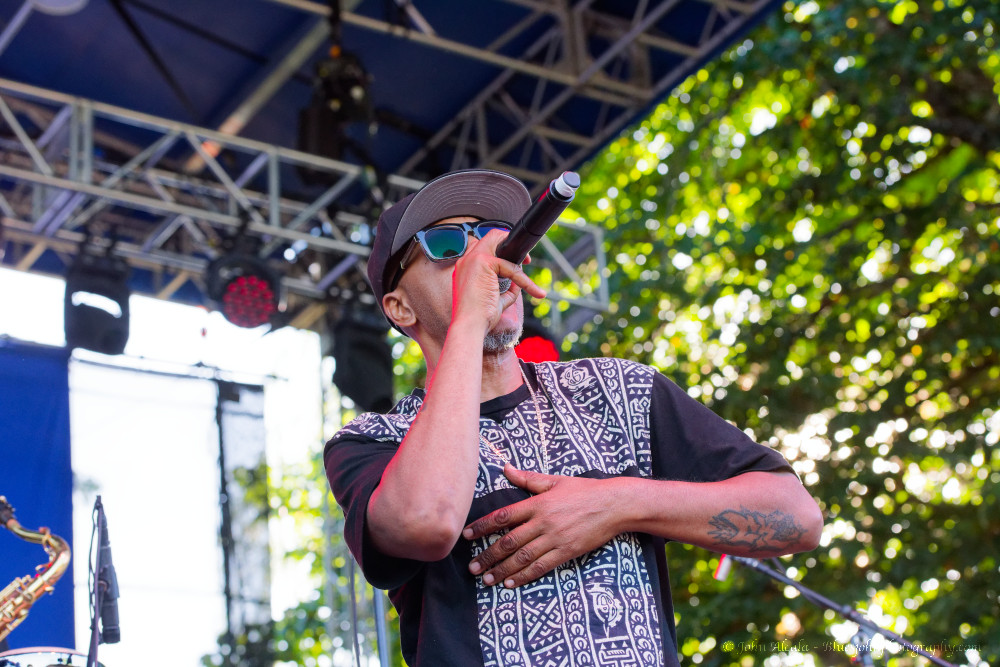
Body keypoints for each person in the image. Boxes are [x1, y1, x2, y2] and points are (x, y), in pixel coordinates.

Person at [324, 168, 824, 666]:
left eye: (493, 239)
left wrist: (617, 502)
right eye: (450, 244)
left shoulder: (619, 389)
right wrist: (470, 316)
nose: (485, 260)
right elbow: (424, 522)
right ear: (400, 308)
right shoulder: (374, 441)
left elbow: (797, 519)